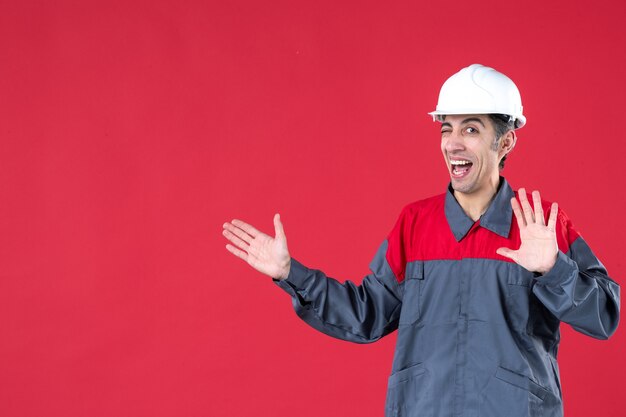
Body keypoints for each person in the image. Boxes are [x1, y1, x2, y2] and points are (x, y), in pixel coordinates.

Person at [221, 64, 620, 417]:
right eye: (447, 128)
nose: (453, 143)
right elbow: (366, 315)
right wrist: (292, 274)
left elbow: (604, 317)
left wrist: (553, 269)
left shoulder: (541, 223)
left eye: (471, 129)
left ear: (506, 142)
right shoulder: (415, 224)